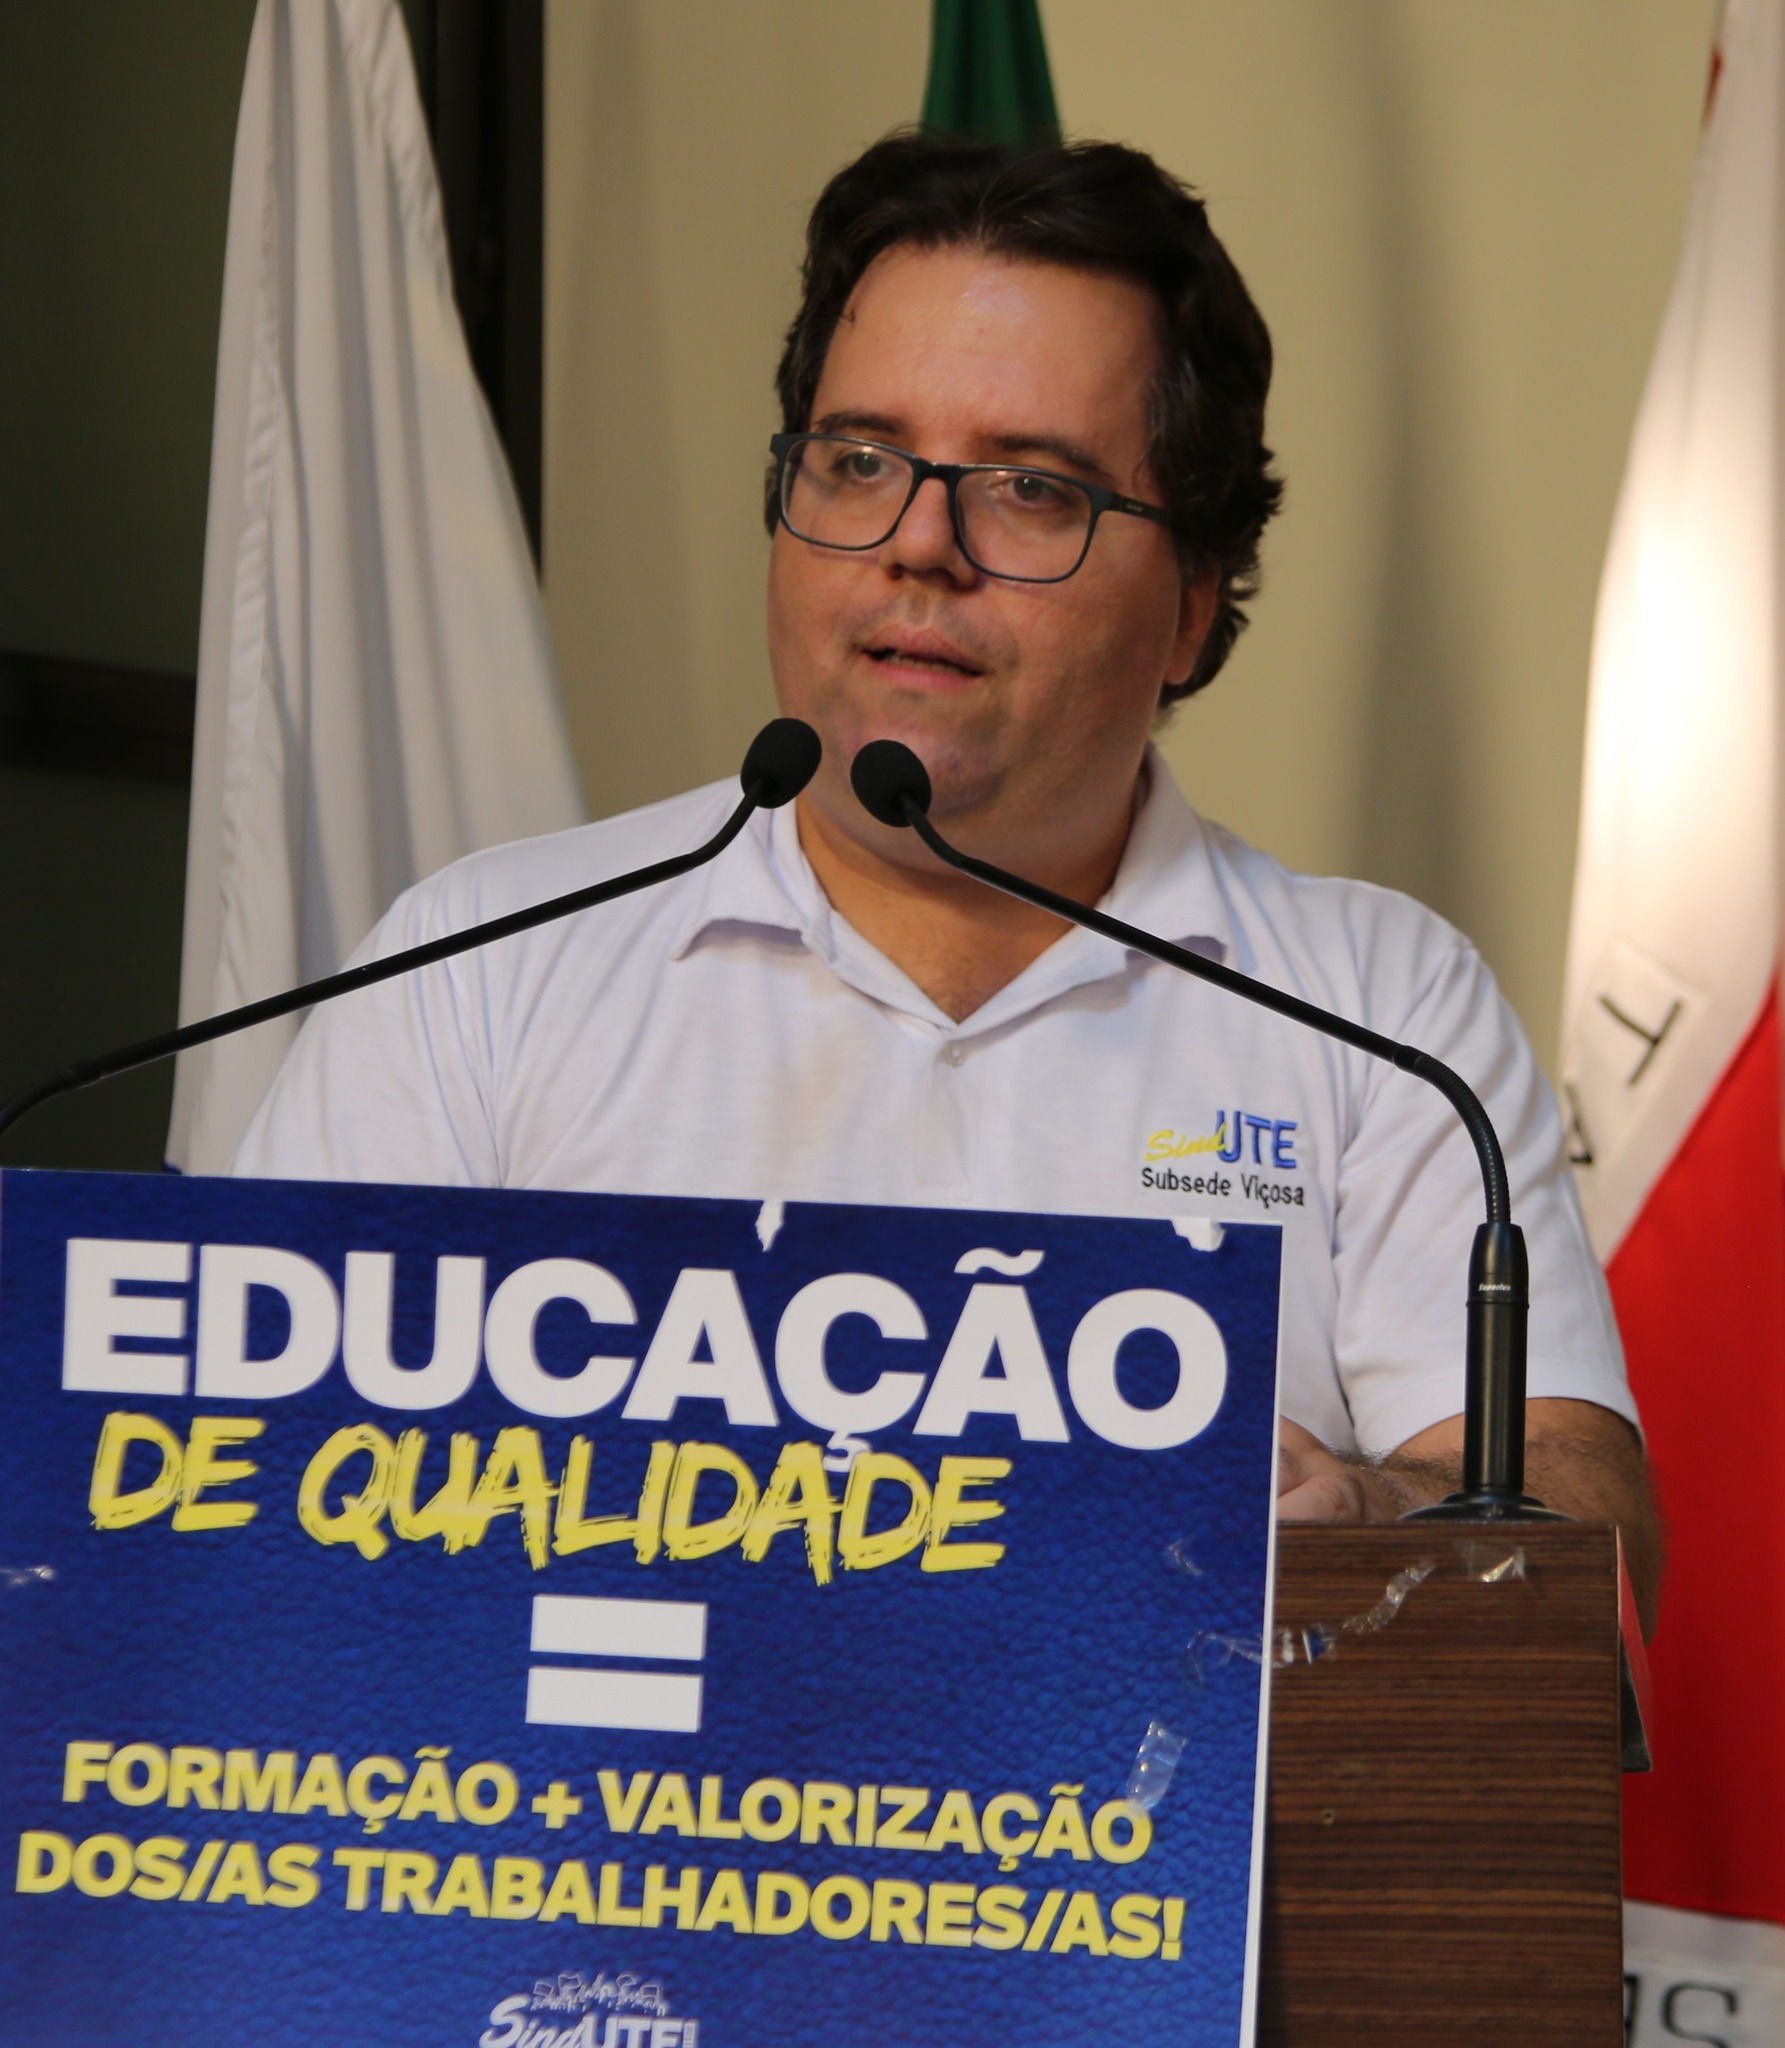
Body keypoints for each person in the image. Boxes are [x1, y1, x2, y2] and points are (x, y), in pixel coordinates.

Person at [232, 132, 1658, 1619]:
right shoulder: (481, 964)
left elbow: (1590, 1532)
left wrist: (1370, 1512)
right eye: (858, 462)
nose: (919, 544)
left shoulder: (1380, 1009)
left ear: (1189, 605)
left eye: (1030, 488)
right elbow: (237, 1504)